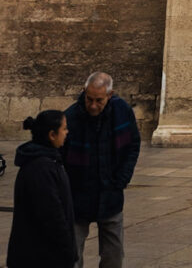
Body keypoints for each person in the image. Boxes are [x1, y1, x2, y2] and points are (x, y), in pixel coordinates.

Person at [63, 72, 141, 268]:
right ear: (84, 92)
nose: (93, 105)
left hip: (110, 194)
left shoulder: (122, 111)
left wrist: (122, 178)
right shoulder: (71, 118)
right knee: (72, 254)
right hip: (78, 196)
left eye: (99, 100)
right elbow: (61, 157)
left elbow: (133, 144)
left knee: (114, 254)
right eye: (89, 99)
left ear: (110, 95)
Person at [6, 109, 77, 268]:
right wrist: (67, 250)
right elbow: (52, 215)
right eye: (64, 128)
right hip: (39, 257)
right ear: (52, 135)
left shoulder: (50, 161)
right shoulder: (41, 168)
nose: (67, 132)